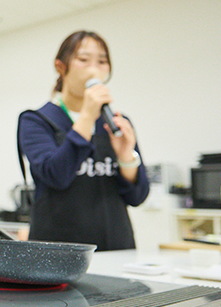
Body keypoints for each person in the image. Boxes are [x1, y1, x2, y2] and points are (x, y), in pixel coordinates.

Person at [17, 30, 149, 250]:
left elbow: (137, 196)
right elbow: (57, 176)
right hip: (58, 252)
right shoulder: (36, 120)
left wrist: (126, 156)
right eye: (83, 59)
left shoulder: (116, 122)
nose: (94, 69)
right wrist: (87, 116)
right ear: (61, 67)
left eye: (102, 62)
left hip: (115, 250)